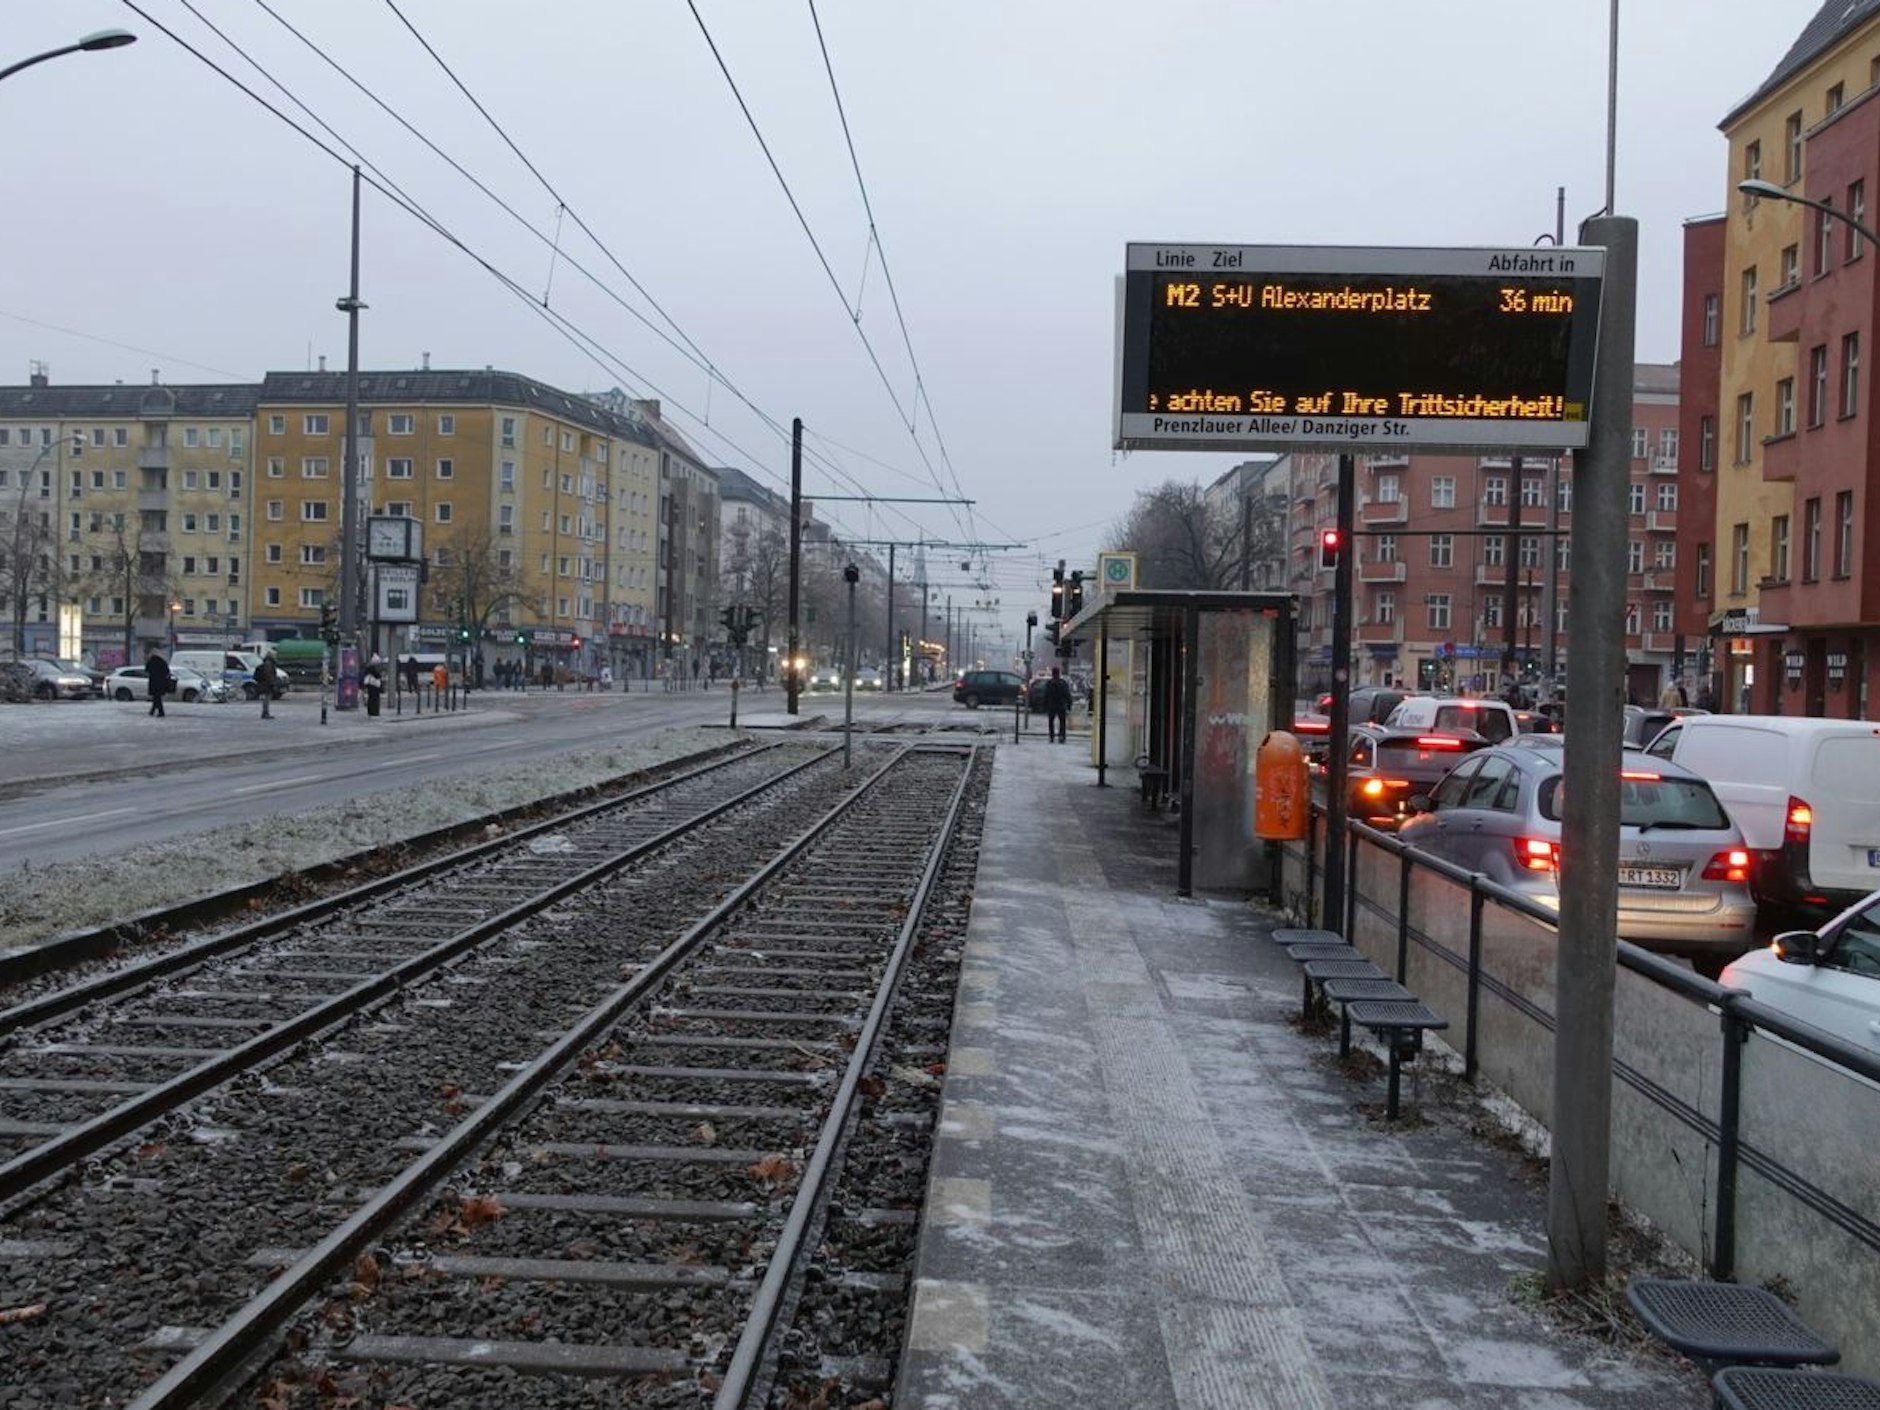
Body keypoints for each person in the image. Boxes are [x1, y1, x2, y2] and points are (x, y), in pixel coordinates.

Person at [1041, 666, 1073, 743]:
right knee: (1062, 722)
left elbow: (1046, 695)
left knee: (1051, 722)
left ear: (1052, 674)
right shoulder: (1063, 683)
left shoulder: (1049, 683)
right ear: (1059, 674)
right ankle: (1061, 736)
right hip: (1061, 705)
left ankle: (1051, 736)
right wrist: (1069, 705)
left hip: (1051, 705)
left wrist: (1044, 705)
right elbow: (1067, 694)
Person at [145, 650, 172, 718]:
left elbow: (147, 669)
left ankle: (160, 712)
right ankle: (153, 711)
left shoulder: (151, 661)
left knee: (157, 697)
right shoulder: (163, 662)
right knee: (157, 697)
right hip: (162, 683)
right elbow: (167, 671)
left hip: (154, 682)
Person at [253, 649, 279, 719]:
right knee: (267, 698)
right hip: (266, 684)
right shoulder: (269, 664)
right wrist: (272, 683)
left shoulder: (267, 663)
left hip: (265, 683)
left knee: (267, 698)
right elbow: (269, 674)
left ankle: (265, 712)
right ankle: (265, 713)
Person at [363, 653, 386, 718]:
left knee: (371, 699)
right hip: (374, 684)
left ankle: (371, 711)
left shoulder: (369, 667)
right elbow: (377, 675)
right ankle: (375, 712)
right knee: (375, 699)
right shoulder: (373, 668)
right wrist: (380, 675)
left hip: (370, 684)